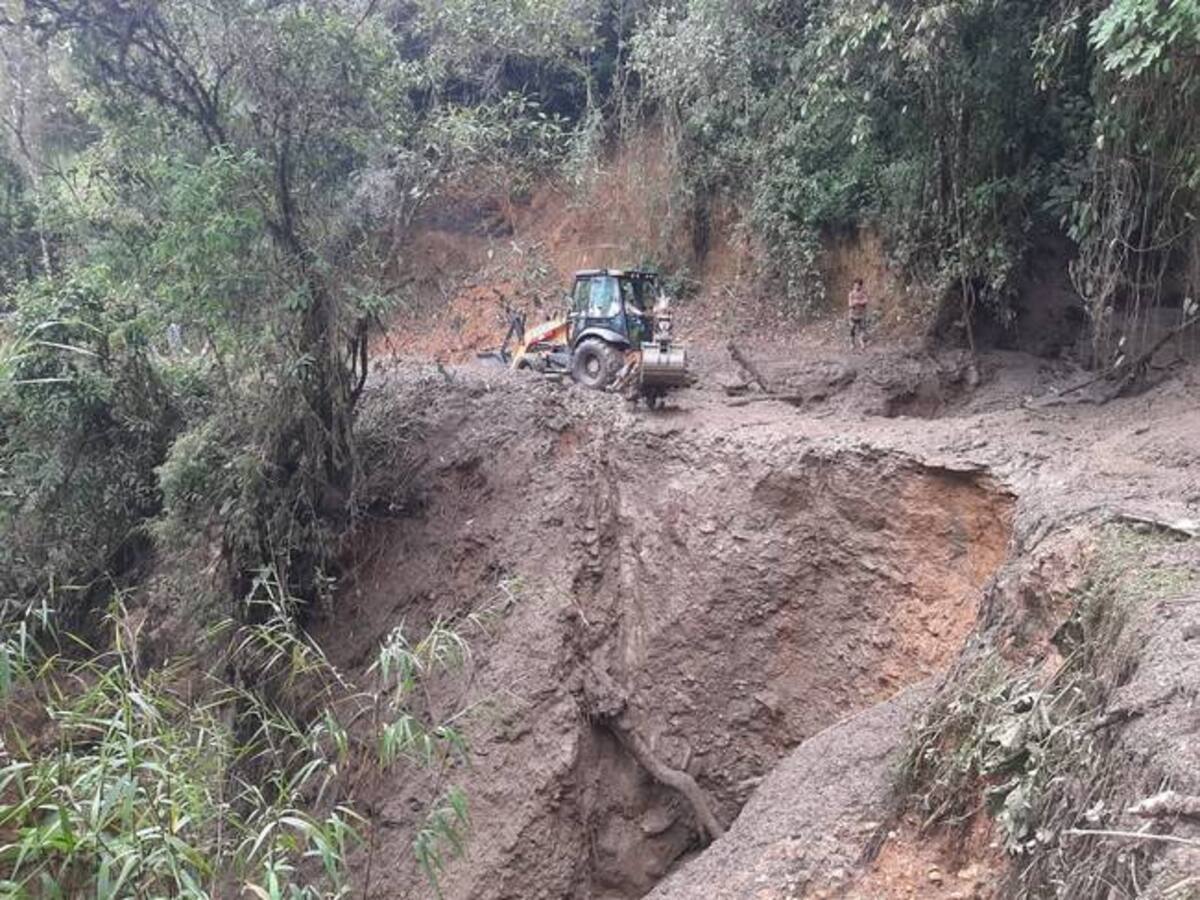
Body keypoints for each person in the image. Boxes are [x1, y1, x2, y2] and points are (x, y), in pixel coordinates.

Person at [848, 278, 869, 350]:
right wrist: (856, 302)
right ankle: (852, 343)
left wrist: (858, 302)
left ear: (861, 286)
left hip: (861, 314)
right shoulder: (851, 294)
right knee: (852, 328)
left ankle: (862, 342)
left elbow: (866, 301)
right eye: (855, 285)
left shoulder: (863, 293)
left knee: (862, 328)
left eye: (858, 285)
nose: (856, 286)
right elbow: (850, 304)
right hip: (853, 314)